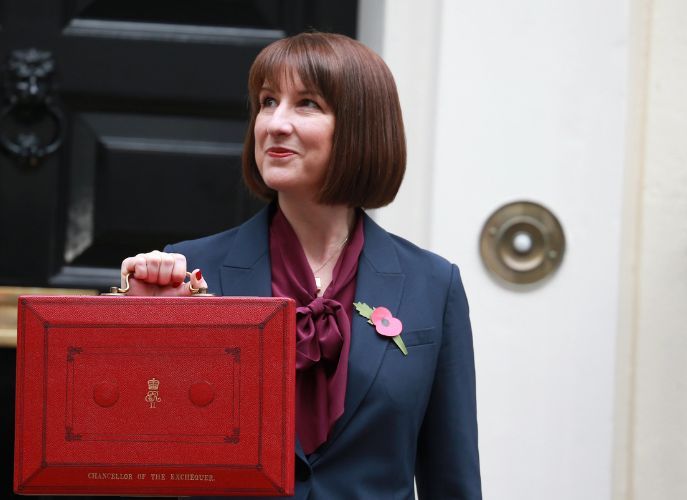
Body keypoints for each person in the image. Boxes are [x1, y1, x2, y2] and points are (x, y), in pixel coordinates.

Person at [121, 32, 481, 499]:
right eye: (268, 101)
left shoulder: (433, 285)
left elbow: (452, 481)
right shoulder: (193, 271)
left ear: (361, 128)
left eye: (306, 103)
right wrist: (137, 327)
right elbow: (139, 460)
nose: (275, 122)